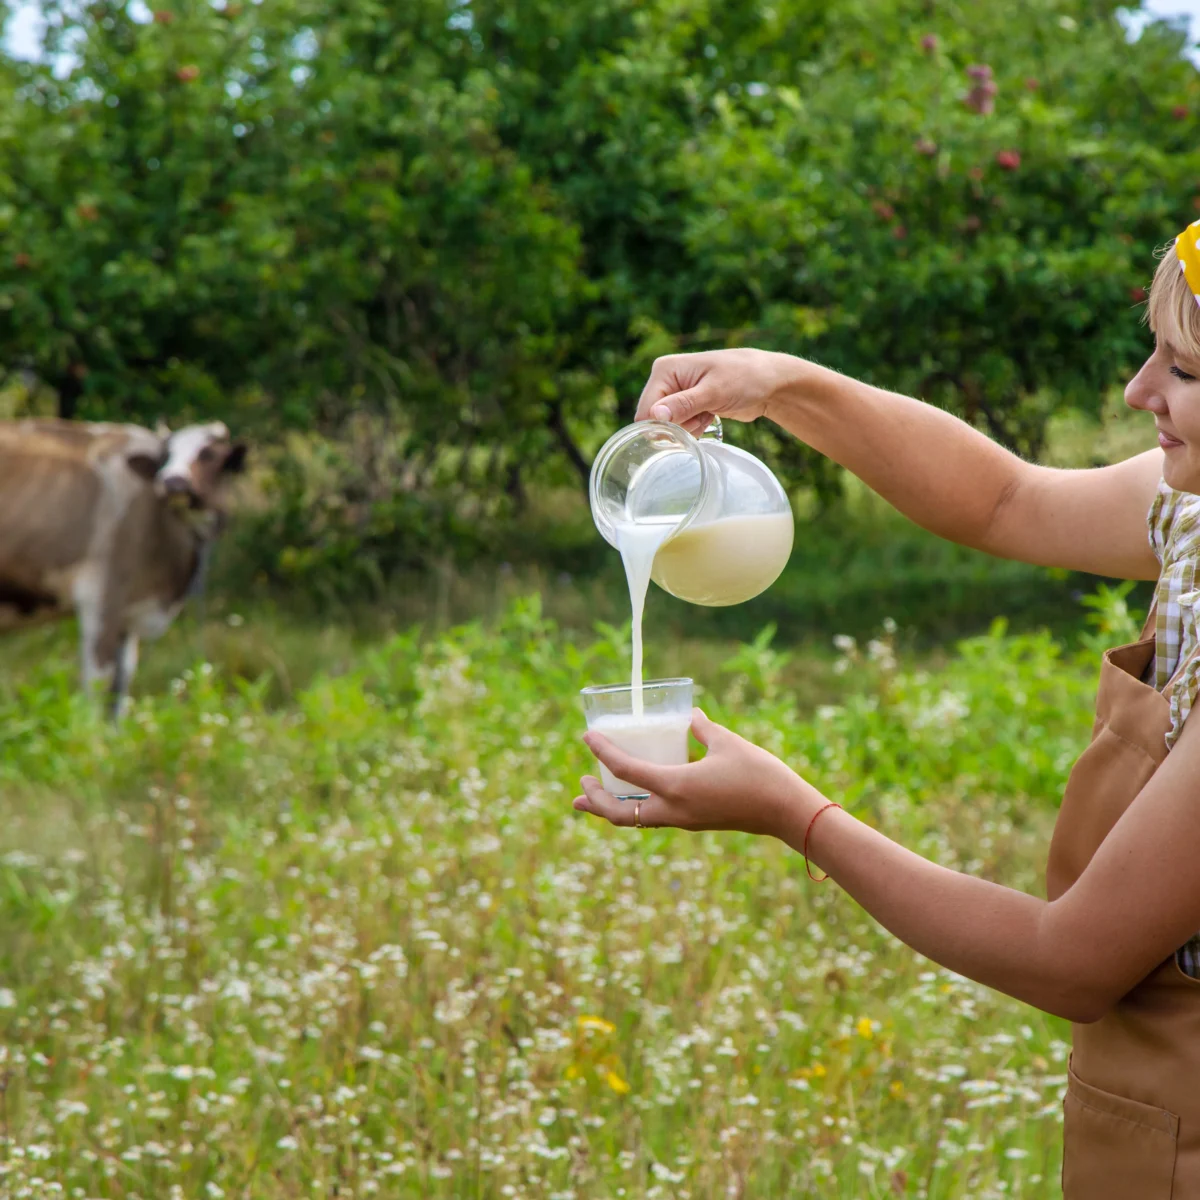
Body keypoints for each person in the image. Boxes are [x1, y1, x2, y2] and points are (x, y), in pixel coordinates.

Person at [574, 220, 1200, 1197]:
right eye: (1153, 351)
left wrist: (795, 814)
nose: (1138, 392)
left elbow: (1071, 958)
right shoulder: (1192, 509)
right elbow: (1005, 502)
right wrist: (778, 383)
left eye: (1185, 370)